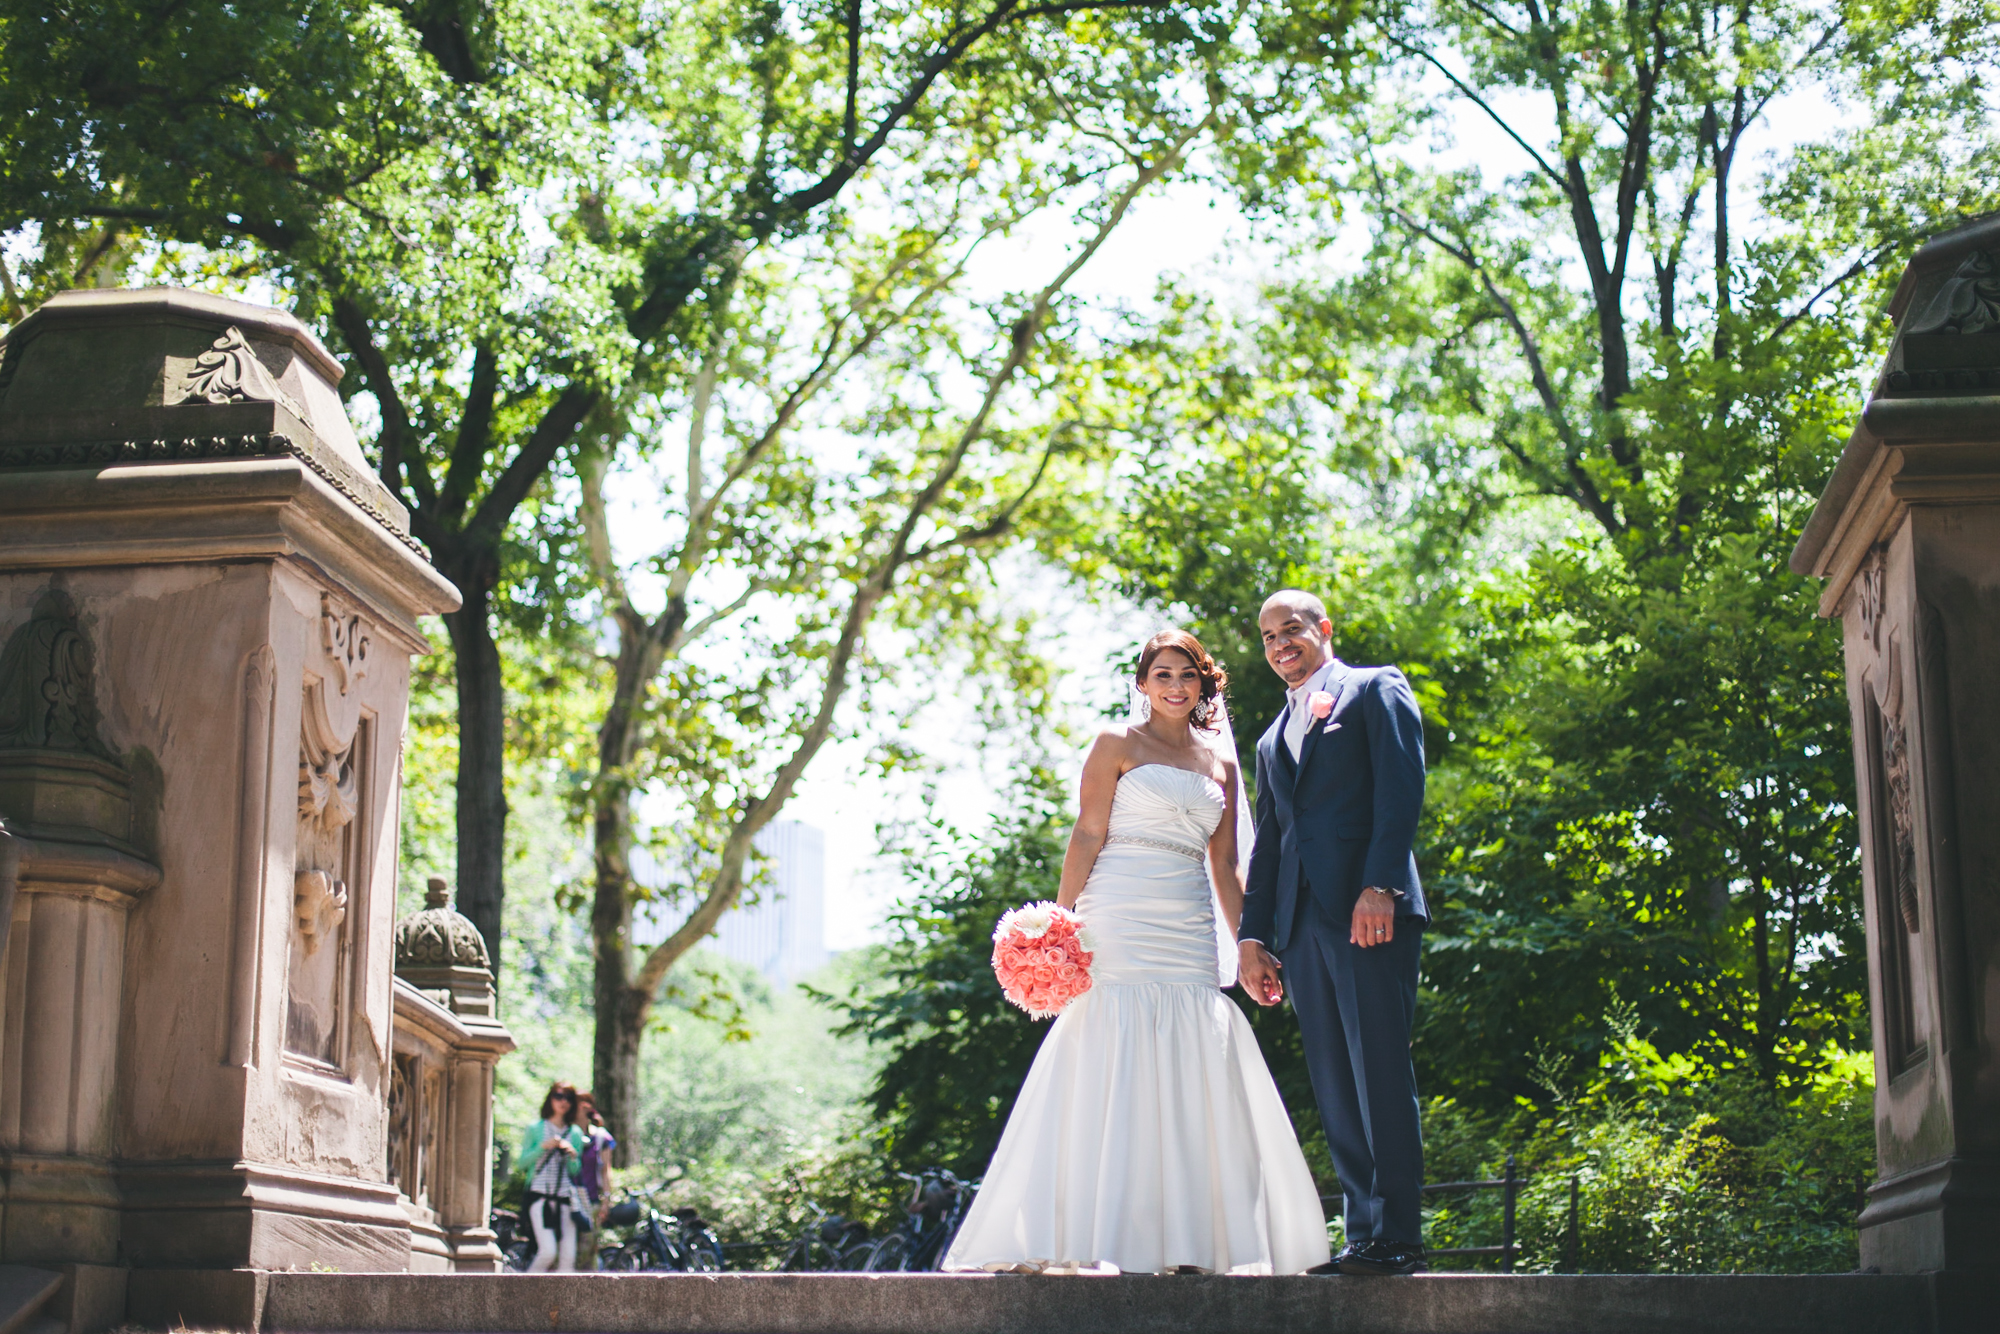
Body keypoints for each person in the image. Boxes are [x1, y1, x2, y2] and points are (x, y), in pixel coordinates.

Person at [943, 630, 1328, 1275]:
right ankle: (1087, 1234)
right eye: (1162, 675)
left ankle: (1189, 1243)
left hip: (1187, 920)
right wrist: (1058, 926)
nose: (1175, 686)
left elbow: (1227, 864)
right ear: (1143, 684)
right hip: (1117, 910)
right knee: (1109, 1044)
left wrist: (1250, 944)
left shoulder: (1222, 765)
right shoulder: (1115, 745)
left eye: (1187, 675)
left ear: (1205, 684)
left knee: (1193, 1051)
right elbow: (1088, 830)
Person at [1237, 589, 1430, 1276]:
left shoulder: (1374, 690)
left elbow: (1402, 788)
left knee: (1378, 1067)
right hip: (1299, 929)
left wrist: (1382, 886)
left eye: (1291, 629)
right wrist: (1253, 937)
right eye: (1267, 637)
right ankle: (1363, 1235)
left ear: (1323, 630)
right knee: (1334, 1081)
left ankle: (1399, 1237)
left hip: (1367, 912)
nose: (1279, 644)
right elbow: (1267, 846)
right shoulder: (1268, 737)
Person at [522, 1081, 586, 1272]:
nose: (563, 1102)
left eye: (568, 1098)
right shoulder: (535, 1128)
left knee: (568, 1258)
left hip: (566, 1199)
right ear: (550, 1099)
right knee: (548, 1252)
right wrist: (543, 1146)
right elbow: (522, 1163)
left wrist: (572, 1154)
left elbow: (575, 1171)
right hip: (539, 1197)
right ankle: (521, 1294)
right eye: (558, 1096)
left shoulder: (574, 1132)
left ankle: (563, 1301)